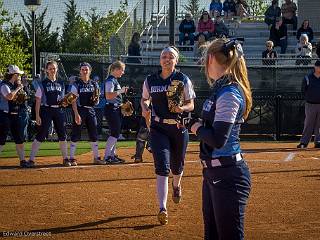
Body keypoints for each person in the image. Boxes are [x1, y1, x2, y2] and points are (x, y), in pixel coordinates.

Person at [189, 38, 252, 240]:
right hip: (213, 172)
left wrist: (193, 126)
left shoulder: (230, 92)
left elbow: (217, 139)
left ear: (210, 59)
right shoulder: (220, 89)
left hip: (227, 175)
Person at [140, 46, 196, 225]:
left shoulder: (182, 79)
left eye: (170, 57)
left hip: (179, 128)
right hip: (158, 128)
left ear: (176, 61)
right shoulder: (151, 79)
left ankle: (177, 185)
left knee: (177, 166)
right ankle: (162, 208)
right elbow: (144, 98)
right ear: (159, 60)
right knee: (162, 167)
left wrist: (181, 108)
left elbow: (191, 104)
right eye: (163, 56)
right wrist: (145, 106)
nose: (166, 59)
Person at [28, 61, 69, 167]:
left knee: (62, 134)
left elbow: (63, 98)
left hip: (59, 110)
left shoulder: (61, 83)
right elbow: (38, 100)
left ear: (57, 69)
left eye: (54, 68)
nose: (52, 70)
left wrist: (65, 102)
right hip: (46, 109)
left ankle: (65, 158)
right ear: (46, 70)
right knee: (41, 134)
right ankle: (31, 159)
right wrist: (37, 115)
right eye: (50, 68)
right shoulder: (43, 83)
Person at [68, 62, 105, 165]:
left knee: (94, 133)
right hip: (80, 110)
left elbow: (96, 101)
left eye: (86, 69)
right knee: (76, 133)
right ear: (80, 71)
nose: (84, 71)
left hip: (91, 110)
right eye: (83, 69)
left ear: (90, 71)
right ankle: (71, 158)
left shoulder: (94, 84)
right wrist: (76, 114)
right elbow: (73, 100)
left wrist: (96, 99)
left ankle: (96, 157)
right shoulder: (76, 84)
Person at [297, 60, 320, 149]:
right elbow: (303, 90)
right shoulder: (308, 78)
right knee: (308, 124)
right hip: (310, 104)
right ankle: (304, 142)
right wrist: (309, 98)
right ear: (315, 67)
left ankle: (318, 142)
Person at [0, 65, 28, 167]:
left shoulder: (14, 85)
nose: (19, 76)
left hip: (15, 115)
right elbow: (9, 96)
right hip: (4, 115)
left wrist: (21, 92)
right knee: (1, 139)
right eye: (18, 74)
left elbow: (21, 99)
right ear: (14, 75)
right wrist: (18, 88)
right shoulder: (4, 85)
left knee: (19, 138)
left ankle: (23, 160)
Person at [103, 60, 128, 163]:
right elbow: (108, 96)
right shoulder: (110, 80)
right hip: (111, 108)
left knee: (116, 133)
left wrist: (121, 103)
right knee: (114, 133)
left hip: (115, 108)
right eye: (122, 70)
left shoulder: (114, 80)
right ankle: (107, 156)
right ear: (116, 69)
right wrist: (120, 91)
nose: (123, 72)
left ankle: (112, 155)